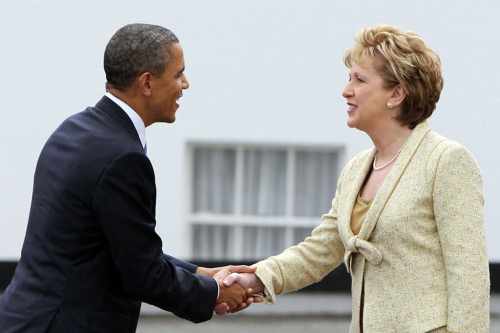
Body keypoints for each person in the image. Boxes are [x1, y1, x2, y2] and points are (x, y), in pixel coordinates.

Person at [224, 25, 490, 333]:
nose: (345, 91)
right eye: (349, 78)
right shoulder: (356, 168)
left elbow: (469, 276)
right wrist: (258, 277)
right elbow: (321, 249)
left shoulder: (447, 160)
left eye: (359, 80)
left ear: (397, 94)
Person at [0, 23, 254, 333]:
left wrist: (201, 273)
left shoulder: (73, 130)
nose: (185, 84)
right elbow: (142, 272)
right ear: (147, 82)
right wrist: (215, 292)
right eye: (178, 74)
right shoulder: (124, 158)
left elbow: (124, 245)